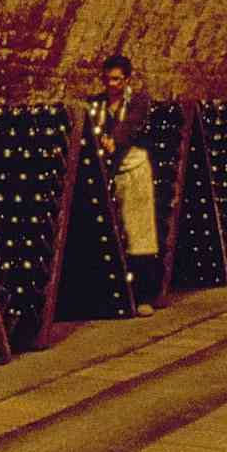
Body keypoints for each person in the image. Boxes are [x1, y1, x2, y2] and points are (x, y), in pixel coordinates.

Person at [90, 54, 160, 316]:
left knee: (139, 232)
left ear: (127, 79)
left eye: (117, 80)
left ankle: (145, 296)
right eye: (108, 79)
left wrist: (114, 140)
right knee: (112, 230)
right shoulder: (97, 103)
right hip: (108, 171)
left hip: (134, 169)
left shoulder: (138, 101)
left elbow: (132, 124)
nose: (111, 84)